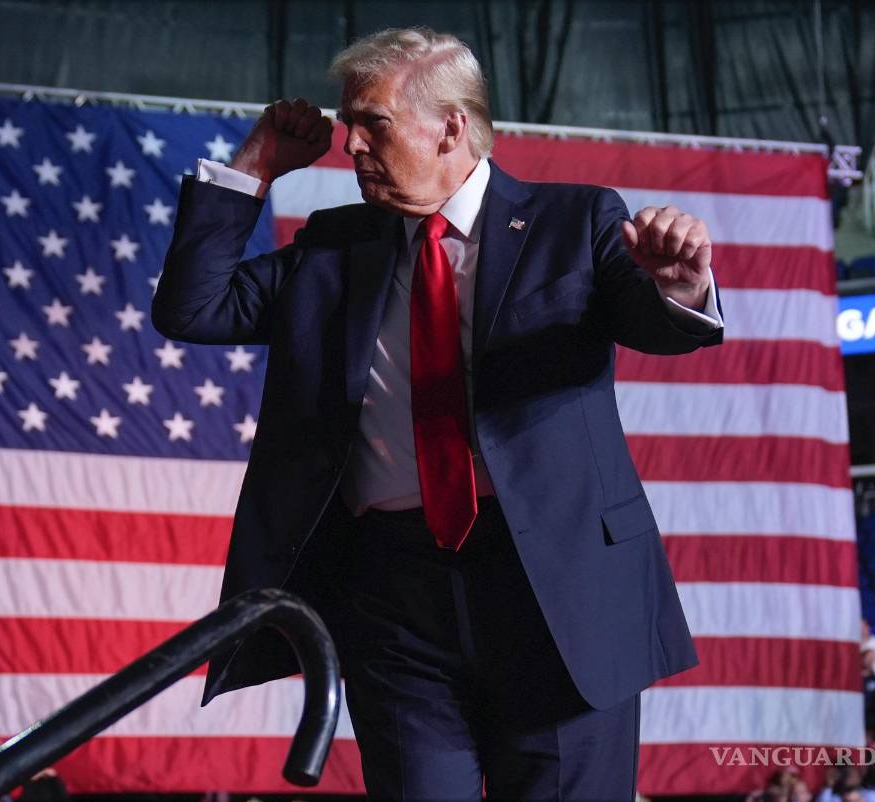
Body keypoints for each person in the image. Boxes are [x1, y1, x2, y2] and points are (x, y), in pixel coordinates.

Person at [153, 25, 723, 799]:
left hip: (558, 595)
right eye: (349, 124)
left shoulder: (576, 222)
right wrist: (255, 165)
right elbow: (193, 307)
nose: (350, 144)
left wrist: (681, 285)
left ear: (451, 127)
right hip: (394, 600)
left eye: (373, 123)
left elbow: (660, 324)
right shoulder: (332, 248)